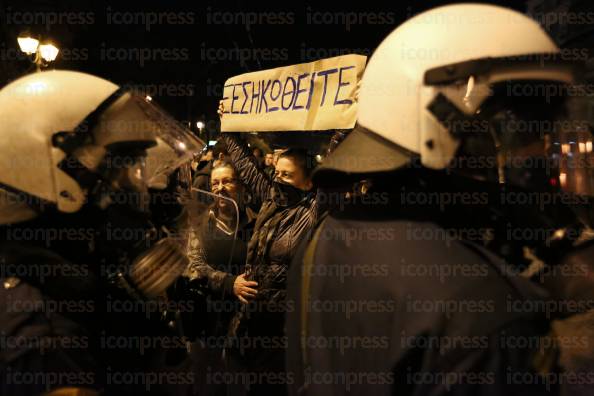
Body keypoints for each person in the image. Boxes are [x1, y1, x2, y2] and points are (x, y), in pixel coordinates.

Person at [286, 4, 592, 395]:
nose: (541, 147)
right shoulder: (485, 310)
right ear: (442, 127)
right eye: (523, 124)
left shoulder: (327, 237)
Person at [0, 70, 203, 396]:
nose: (141, 191)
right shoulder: (50, 346)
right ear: (56, 177)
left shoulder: (61, 275)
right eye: (126, 170)